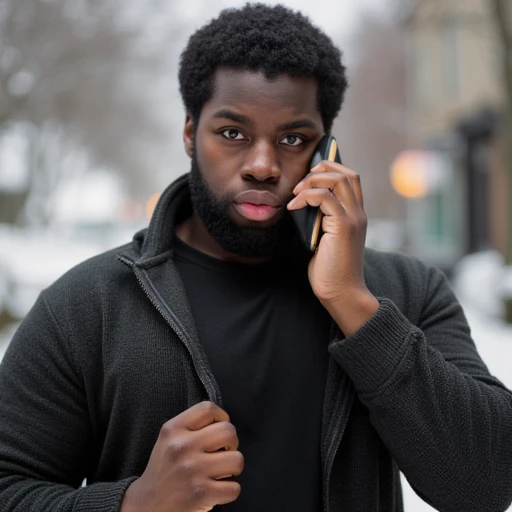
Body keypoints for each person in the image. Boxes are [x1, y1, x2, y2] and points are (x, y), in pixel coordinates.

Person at [1, 3, 511, 512]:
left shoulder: (405, 291)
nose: (263, 165)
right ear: (188, 133)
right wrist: (135, 504)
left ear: (325, 153)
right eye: (232, 133)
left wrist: (352, 301)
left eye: (292, 139)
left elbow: (486, 486)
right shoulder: (87, 306)